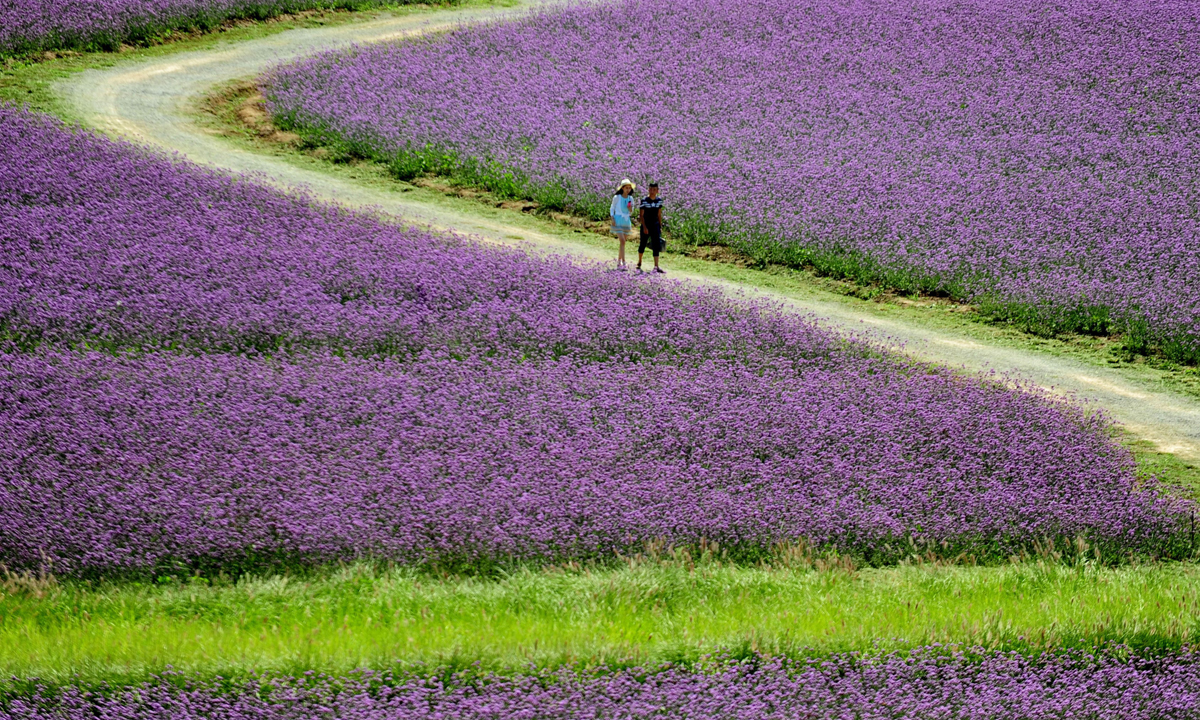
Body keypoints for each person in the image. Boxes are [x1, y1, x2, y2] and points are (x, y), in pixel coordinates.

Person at [637, 182, 665, 273]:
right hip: (646, 225)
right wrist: (644, 227)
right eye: (650, 189)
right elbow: (641, 215)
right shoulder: (644, 200)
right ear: (648, 190)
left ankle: (656, 266)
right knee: (643, 243)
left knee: (656, 245)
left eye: (654, 190)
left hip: (655, 225)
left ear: (657, 191)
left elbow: (659, 214)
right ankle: (639, 261)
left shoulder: (659, 200)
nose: (652, 191)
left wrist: (660, 226)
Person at [609, 178, 636, 270]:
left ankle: (619, 261)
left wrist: (629, 208)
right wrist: (612, 217)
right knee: (622, 241)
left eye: (629, 188)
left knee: (623, 242)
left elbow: (631, 212)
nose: (628, 190)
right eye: (626, 188)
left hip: (626, 220)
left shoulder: (630, 199)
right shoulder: (617, 197)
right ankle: (624, 262)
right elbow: (612, 208)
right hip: (618, 219)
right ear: (622, 188)